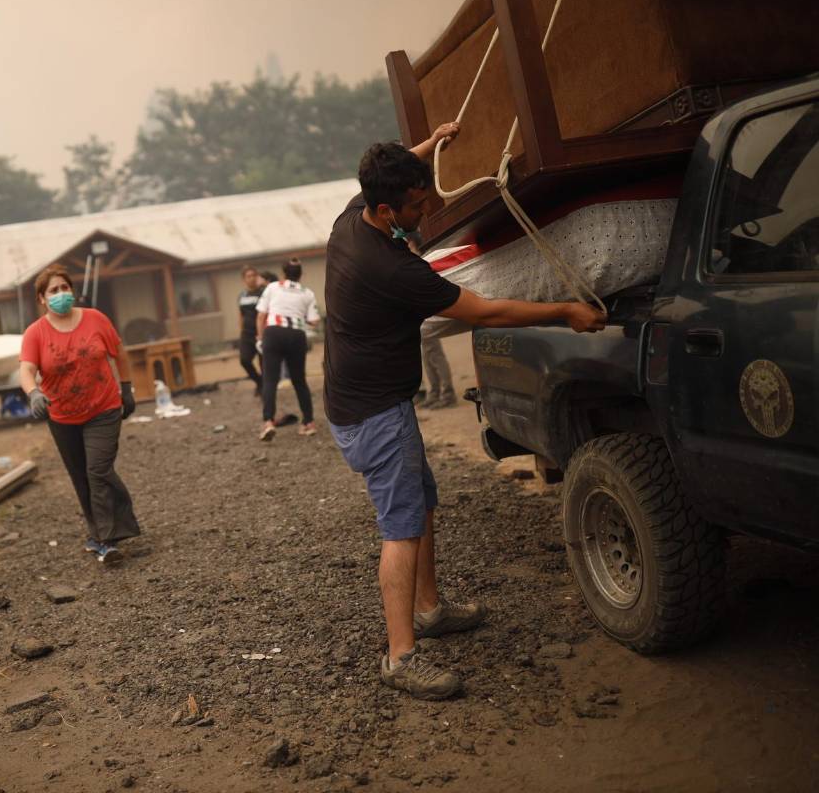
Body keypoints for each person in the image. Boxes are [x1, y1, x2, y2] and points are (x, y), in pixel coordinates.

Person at [323, 128, 606, 699]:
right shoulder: (393, 269)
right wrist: (564, 311)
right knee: (400, 528)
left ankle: (429, 609)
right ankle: (401, 656)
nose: (425, 210)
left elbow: (401, 172)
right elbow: (486, 311)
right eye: (416, 205)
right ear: (386, 209)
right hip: (374, 414)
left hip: (367, 402)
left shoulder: (350, 219)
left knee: (421, 502)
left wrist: (432, 142)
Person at [19, 264, 140, 564]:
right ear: (42, 299)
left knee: (97, 470)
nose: (61, 294)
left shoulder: (96, 319)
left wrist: (127, 389)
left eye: (64, 288)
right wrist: (33, 392)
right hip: (62, 416)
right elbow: (26, 369)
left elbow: (119, 353)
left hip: (103, 407)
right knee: (81, 478)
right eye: (53, 291)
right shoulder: (35, 333)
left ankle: (107, 540)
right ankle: (100, 530)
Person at [255, 258, 320, 441]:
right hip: (296, 335)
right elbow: (314, 321)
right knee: (299, 380)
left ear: (283, 273)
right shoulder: (307, 293)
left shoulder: (273, 287)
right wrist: (299, 319)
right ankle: (308, 423)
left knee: (270, 380)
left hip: (273, 333)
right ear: (301, 275)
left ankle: (268, 421)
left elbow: (261, 316)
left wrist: (260, 338)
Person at [236, 266, 265, 395]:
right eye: (248, 276)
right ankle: (259, 382)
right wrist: (241, 330)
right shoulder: (241, 295)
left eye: (254, 275)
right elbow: (240, 314)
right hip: (246, 334)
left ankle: (265, 389)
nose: (251, 278)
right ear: (244, 279)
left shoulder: (264, 292)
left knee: (263, 364)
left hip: (261, 334)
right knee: (244, 360)